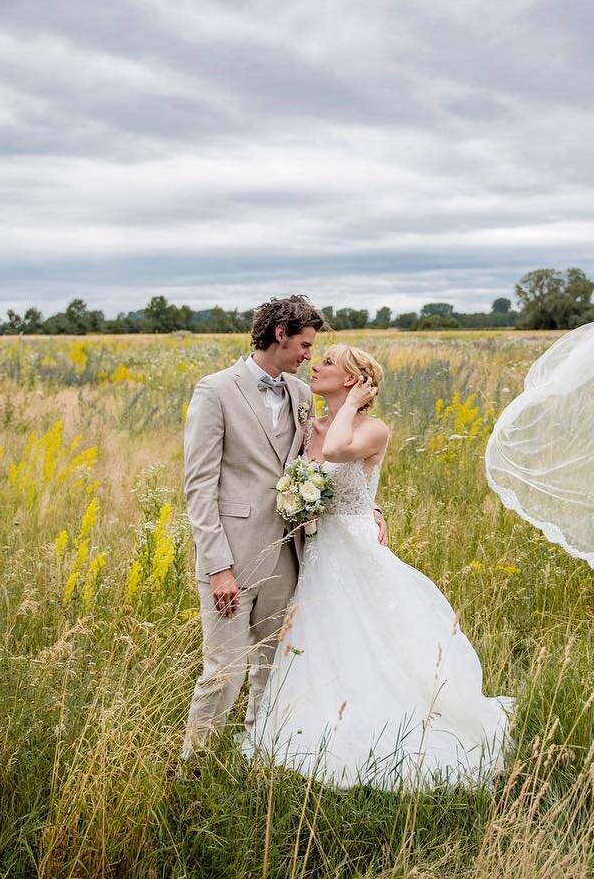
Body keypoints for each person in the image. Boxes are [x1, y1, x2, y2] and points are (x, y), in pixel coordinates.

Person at [243, 344, 514, 789]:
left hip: (352, 547)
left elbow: (333, 453)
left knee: (366, 634)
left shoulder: (375, 430)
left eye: (328, 362)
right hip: (316, 548)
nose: (316, 364)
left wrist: (350, 407)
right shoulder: (308, 422)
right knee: (320, 634)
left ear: (352, 379)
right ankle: (306, 719)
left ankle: (383, 726)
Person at [180, 296, 386, 759]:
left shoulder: (298, 394)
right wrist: (217, 567)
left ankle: (259, 753)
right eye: (306, 345)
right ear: (280, 335)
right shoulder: (215, 390)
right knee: (223, 671)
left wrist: (368, 509)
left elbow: (323, 465)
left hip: (291, 556)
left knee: (272, 669)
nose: (309, 356)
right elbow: (198, 487)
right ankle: (191, 767)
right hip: (231, 558)